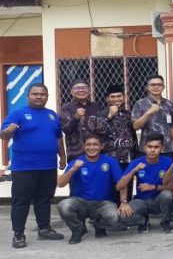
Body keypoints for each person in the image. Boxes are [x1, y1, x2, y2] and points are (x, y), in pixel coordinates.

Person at [1, 83, 66, 248]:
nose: (39, 96)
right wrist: (8, 131)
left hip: (48, 166)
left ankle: (44, 229)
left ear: (47, 96)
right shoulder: (18, 114)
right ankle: (18, 235)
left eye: (42, 94)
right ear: (28, 96)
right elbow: (3, 135)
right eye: (35, 94)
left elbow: (58, 137)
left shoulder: (52, 115)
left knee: (44, 200)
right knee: (21, 201)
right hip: (24, 167)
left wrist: (63, 156)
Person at [56, 134, 123, 244]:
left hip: (103, 203)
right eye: (88, 145)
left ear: (102, 146)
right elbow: (60, 184)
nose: (92, 148)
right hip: (80, 202)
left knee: (114, 217)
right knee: (64, 205)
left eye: (95, 144)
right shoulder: (76, 162)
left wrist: (123, 201)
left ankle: (98, 225)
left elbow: (121, 183)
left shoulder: (110, 161)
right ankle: (78, 229)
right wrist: (73, 169)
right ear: (84, 146)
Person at [116, 134, 173, 234]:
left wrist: (153, 187)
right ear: (145, 148)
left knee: (167, 195)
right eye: (150, 147)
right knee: (122, 215)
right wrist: (123, 202)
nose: (152, 150)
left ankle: (165, 222)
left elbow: (171, 187)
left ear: (162, 149)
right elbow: (120, 185)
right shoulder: (136, 162)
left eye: (156, 147)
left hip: (159, 201)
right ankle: (143, 221)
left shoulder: (168, 162)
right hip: (141, 201)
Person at [85, 84, 137, 203]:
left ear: (124, 97)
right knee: (111, 188)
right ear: (107, 98)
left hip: (128, 159)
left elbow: (133, 136)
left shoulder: (128, 114)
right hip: (110, 159)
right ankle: (111, 215)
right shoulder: (100, 114)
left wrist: (135, 154)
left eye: (119, 96)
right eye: (112, 97)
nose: (116, 99)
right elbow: (98, 132)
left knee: (126, 187)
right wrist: (109, 116)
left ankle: (125, 214)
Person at [132, 75, 173, 157]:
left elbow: (172, 126)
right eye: (153, 85)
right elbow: (135, 126)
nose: (156, 87)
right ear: (148, 87)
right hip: (148, 148)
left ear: (163, 87)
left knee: (168, 170)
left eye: (159, 84)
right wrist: (148, 113)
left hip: (167, 148)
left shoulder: (169, 104)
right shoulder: (140, 103)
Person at [59, 79, 101, 162]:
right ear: (71, 92)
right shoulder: (66, 108)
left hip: (97, 154)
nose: (81, 90)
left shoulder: (97, 107)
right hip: (76, 154)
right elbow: (66, 130)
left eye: (84, 88)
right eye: (77, 88)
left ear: (89, 90)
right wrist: (76, 117)